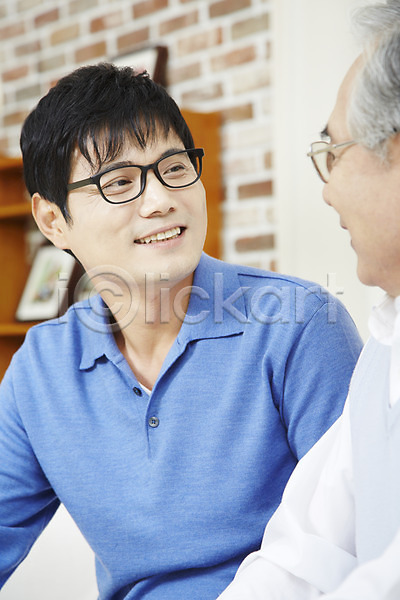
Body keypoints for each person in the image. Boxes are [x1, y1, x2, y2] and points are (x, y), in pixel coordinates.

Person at [0, 64, 362, 600]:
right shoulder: (40, 368)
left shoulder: (300, 326)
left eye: (174, 168)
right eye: (119, 183)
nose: (160, 200)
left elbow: (358, 542)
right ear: (53, 221)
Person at [218, 1, 400, 599]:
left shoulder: (301, 320)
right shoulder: (386, 342)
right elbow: (307, 550)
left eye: (334, 154)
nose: (326, 192)